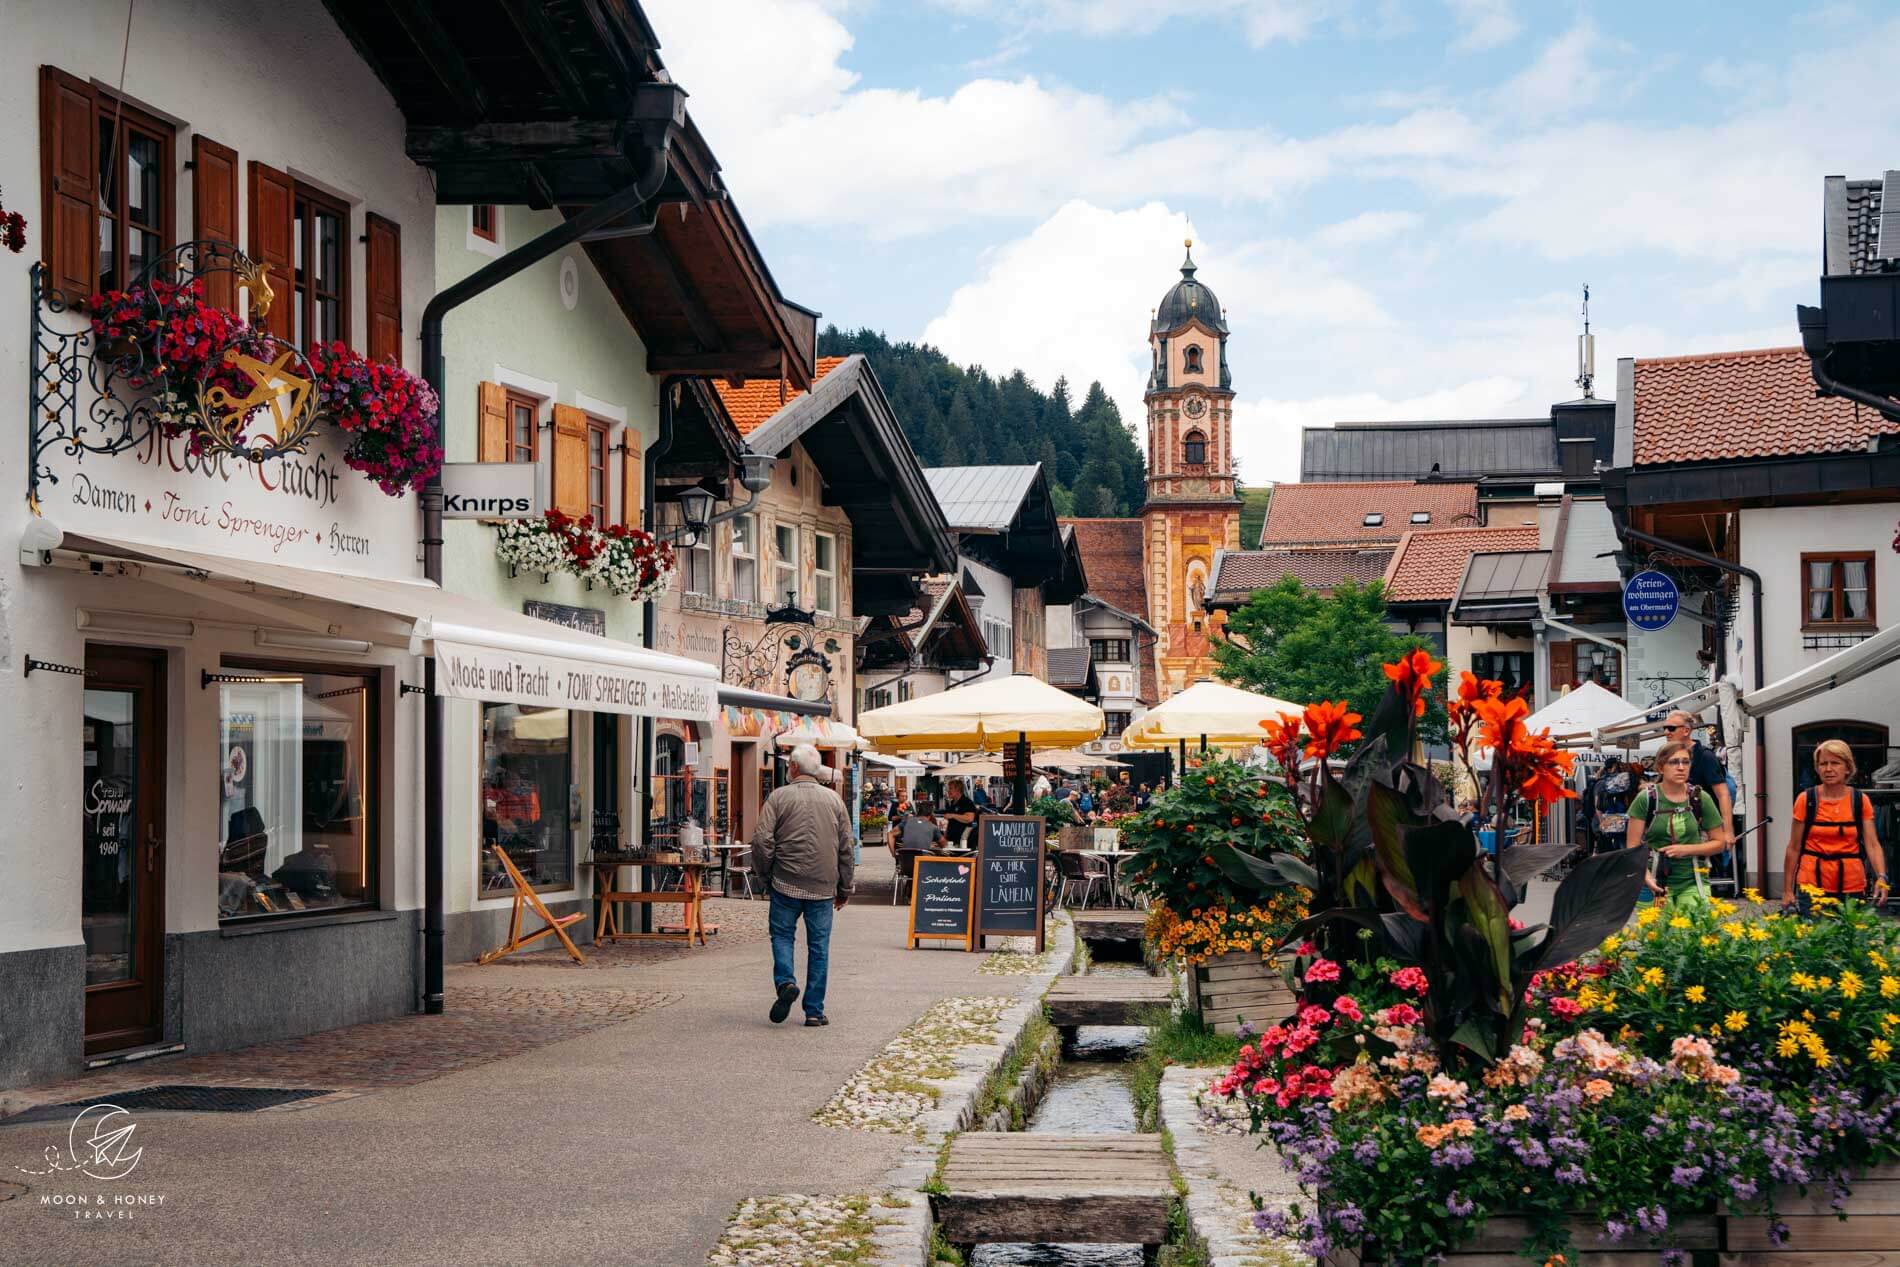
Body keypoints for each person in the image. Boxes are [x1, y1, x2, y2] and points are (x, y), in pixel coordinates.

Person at [751, 744, 855, 1027]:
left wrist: (765, 875)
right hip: (823, 887)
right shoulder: (835, 801)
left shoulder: (778, 797)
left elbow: (762, 841)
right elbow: (846, 847)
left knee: (783, 937)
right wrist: (845, 887)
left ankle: (786, 983)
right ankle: (813, 1011)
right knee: (819, 947)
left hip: (785, 882)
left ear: (794, 768)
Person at [1780, 739, 1889, 912]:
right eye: (1823, 764)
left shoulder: (1860, 801)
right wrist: (1787, 890)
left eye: (1835, 763)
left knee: (1848, 938)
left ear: (1847, 768)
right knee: (1815, 937)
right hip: (1812, 886)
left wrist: (1881, 876)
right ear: (1817, 768)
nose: (1828, 769)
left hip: (1851, 886)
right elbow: (1793, 848)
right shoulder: (1806, 800)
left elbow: (1872, 844)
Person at [1627, 741, 1728, 902]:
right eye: (1674, 762)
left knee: (1691, 926)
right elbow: (1632, 847)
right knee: (1654, 927)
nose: (1681, 767)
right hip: (1653, 881)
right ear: (1661, 767)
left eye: (1686, 762)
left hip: (1693, 880)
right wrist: (1646, 877)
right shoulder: (1646, 799)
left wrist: (1686, 850)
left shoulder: (1700, 798)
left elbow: (1719, 843)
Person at [1662, 712, 1734, 837]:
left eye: (1671, 728)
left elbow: (1723, 794)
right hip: (1677, 827)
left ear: (1686, 731)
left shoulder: (1705, 756)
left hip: (1705, 830)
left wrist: (1728, 831)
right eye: (1664, 728)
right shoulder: (1668, 755)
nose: (1666, 732)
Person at [1588, 758, 1636, 855]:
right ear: (1613, 767)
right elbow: (1598, 806)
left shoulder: (1602, 782)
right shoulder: (1613, 783)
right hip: (1614, 822)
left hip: (1609, 822)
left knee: (1606, 850)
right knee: (1616, 849)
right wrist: (1602, 823)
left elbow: (1598, 806)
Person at [941, 778, 979, 847]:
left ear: (957, 790)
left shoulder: (966, 802)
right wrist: (944, 837)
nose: (948, 791)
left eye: (950, 788)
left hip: (963, 843)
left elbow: (969, 818)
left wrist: (953, 815)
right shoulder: (952, 803)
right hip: (951, 841)